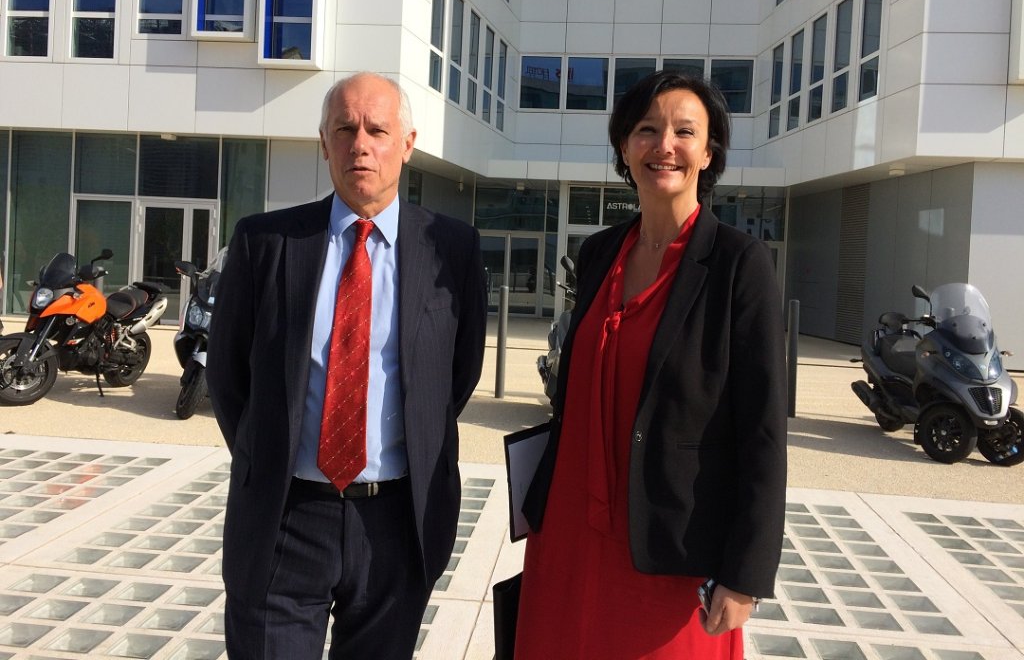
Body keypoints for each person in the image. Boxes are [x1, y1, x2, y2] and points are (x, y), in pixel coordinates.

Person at [206, 72, 488, 659]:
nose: (361, 144)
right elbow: (229, 379)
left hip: (397, 524)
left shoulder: (452, 247)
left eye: (377, 130)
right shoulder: (265, 242)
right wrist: (268, 458)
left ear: (407, 144)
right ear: (324, 143)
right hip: (284, 516)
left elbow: (453, 379)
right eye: (344, 129)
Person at [515, 70, 788, 659]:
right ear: (623, 146)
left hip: (671, 543)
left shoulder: (740, 264)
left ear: (708, 152)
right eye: (646, 129)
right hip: (568, 530)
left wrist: (746, 572)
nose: (664, 145)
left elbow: (763, 431)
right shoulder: (598, 252)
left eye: (685, 131)